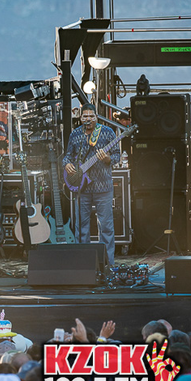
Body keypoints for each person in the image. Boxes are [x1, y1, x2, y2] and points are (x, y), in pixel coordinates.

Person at [63, 103, 120, 266]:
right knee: (81, 227)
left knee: (106, 227)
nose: (88, 119)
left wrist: (108, 159)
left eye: (91, 116)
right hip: (82, 188)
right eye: (85, 116)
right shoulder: (75, 134)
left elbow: (116, 155)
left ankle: (108, 263)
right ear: (81, 118)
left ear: (96, 117)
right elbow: (67, 156)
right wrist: (66, 164)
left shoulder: (107, 132)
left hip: (103, 187)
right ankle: (83, 263)